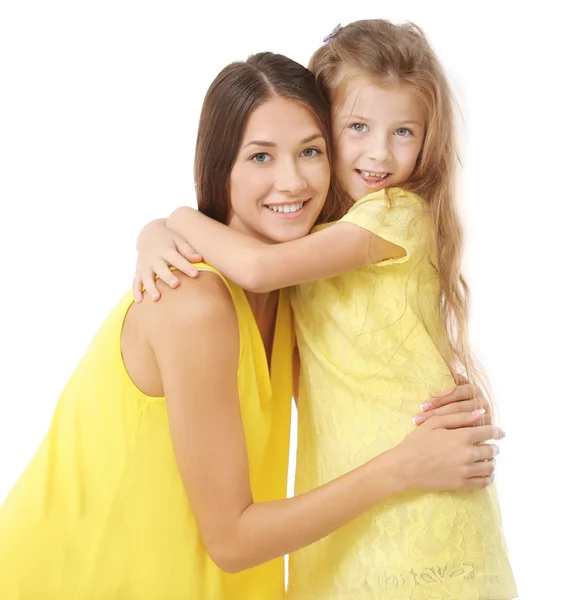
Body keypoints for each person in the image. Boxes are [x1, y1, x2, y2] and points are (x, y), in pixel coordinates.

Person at [0, 51, 503, 600]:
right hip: (72, 580)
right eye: (260, 157)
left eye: (310, 151)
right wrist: (403, 467)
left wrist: (437, 388)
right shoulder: (193, 302)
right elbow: (233, 540)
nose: (291, 181)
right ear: (221, 170)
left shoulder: (297, 293)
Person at [132, 20, 517, 600]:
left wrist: (173, 221)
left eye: (404, 132)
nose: (379, 154)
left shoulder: (394, 214)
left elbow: (257, 269)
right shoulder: (316, 240)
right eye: (357, 127)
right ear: (329, 129)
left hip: (421, 508)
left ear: (428, 139)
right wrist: (148, 237)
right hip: (347, 518)